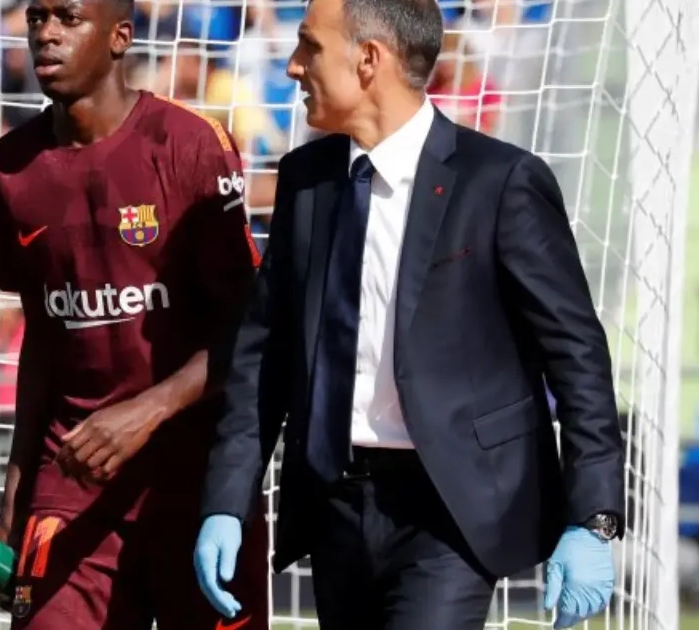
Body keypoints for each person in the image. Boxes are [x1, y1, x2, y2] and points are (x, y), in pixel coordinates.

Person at [192, 0, 625, 629]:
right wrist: (227, 502)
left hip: (452, 512)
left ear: (369, 60)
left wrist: (593, 518)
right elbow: (265, 355)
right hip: (335, 505)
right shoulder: (305, 180)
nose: (293, 66)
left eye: (310, 46)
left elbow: (577, 354)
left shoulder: (500, 181)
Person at [0, 0, 268, 626]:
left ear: (120, 37)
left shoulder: (189, 143)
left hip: (195, 477)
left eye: (68, 18)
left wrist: (150, 408)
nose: (46, 34)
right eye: (36, 18)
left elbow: (248, 328)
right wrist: (15, 491)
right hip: (72, 476)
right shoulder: (8, 166)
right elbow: (43, 335)